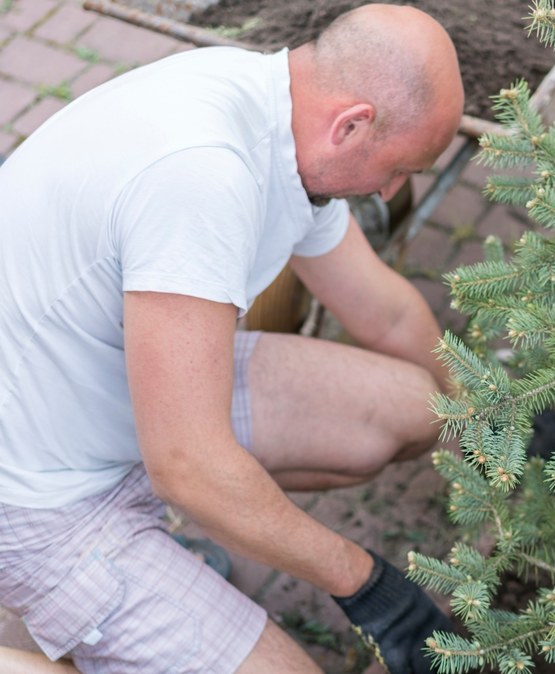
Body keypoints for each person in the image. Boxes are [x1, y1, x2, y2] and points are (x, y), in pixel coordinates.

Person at [0, 4, 465, 673]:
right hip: (40, 490)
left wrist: (486, 419)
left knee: (414, 409)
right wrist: (367, 584)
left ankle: (157, 577)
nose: (392, 188)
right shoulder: (205, 175)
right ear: (352, 124)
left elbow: (385, 313)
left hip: (123, 391)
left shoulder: (279, 114)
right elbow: (191, 468)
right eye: (397, 169)